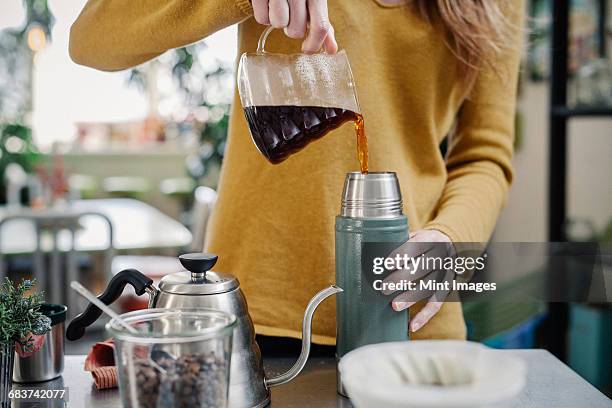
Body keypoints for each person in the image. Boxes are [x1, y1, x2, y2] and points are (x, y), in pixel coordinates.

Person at [69, 0, 524, 345]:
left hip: (409, 313)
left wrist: (449, 237)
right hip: (257, 312)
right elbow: (91, 38)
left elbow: (485, 155)